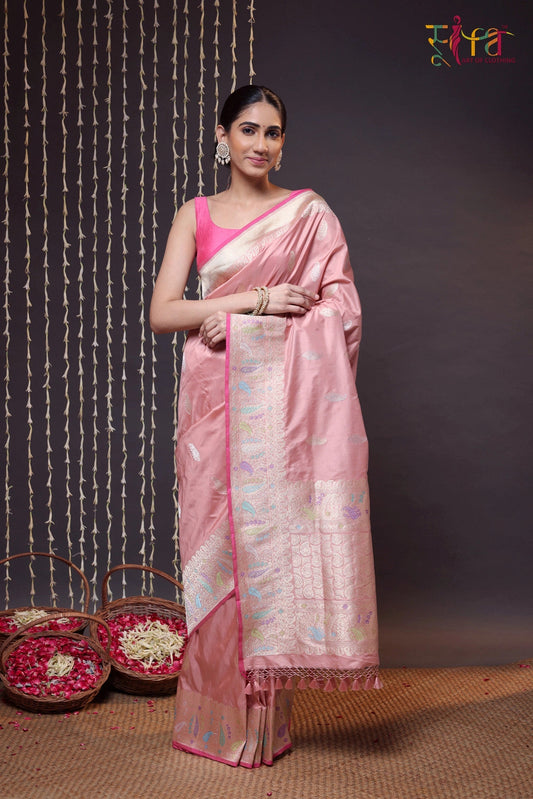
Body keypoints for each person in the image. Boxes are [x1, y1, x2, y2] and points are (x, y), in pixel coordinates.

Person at [150, 85, 380, 768]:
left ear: (283, 144)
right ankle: (215, 724)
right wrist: (252, 301)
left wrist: (249, 325)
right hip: (211, 402)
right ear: (222, 136)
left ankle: (262, 728)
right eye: (248, 129)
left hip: (280, 412)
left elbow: (341, 311)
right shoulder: (195, 214)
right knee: (214, 551)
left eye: (273, 133)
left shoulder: (309, 214)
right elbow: (164, 312)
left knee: (268, 550)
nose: (260, 143)